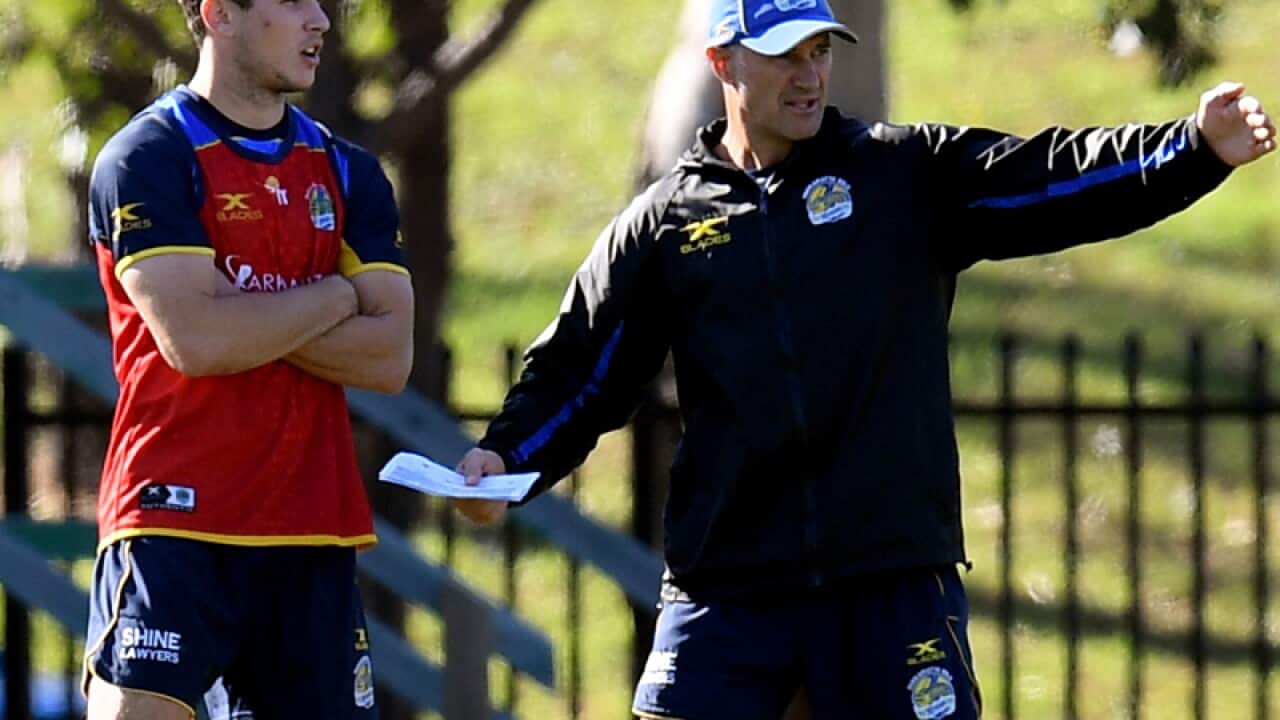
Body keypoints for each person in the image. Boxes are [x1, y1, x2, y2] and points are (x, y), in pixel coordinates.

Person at [455, 0, 1275, 717]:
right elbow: (580, 370)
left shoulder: (899, 173)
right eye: (784, 56)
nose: (810, 75)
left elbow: (1050, 182)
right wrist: (507, 459)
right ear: (722, 62)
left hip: (889, 581)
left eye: (820, 51)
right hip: (729, 587)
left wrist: (1192, 149)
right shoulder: (667, 222)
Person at [81, 0, 414, 718]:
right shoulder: (149, 157)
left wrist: (245, 315)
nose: (321, 20)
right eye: (294, 1)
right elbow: (197, 342)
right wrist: (333, 296)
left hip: (311, 527)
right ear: (219, 14)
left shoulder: (349, 171)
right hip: (171, 520)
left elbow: (389, 356)